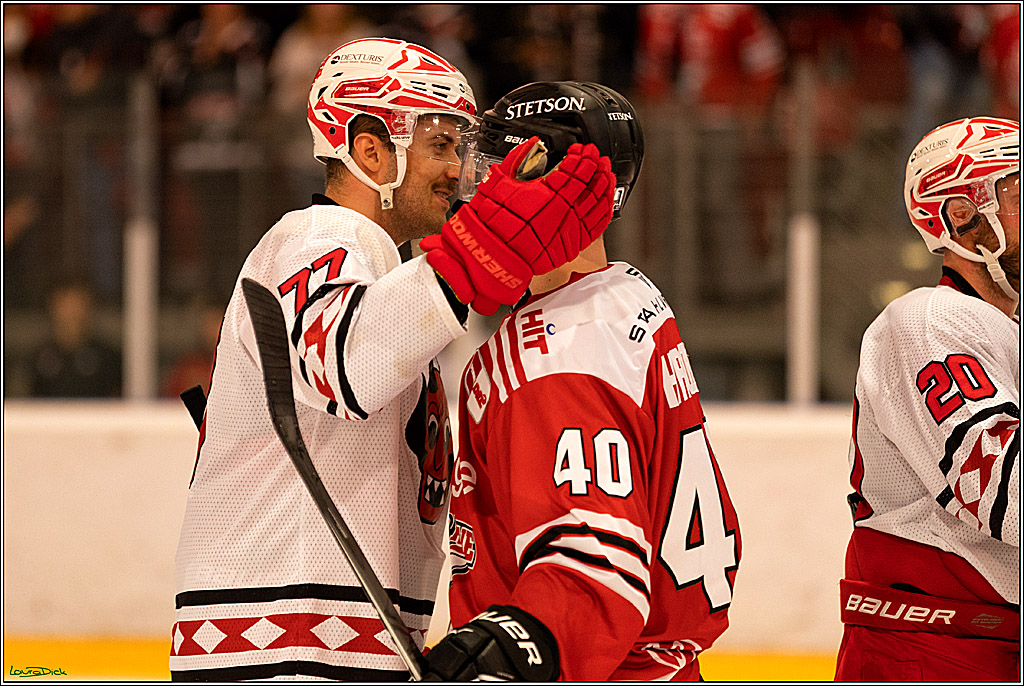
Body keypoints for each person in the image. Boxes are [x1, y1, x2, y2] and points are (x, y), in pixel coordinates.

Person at [170, 39, 615, 681]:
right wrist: (477, 251)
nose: (457, 169)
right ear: (371, 149)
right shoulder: (318, 237)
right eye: (440, 145)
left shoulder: (385, 269)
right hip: (285, 649)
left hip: (333, 641)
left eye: (460, 148)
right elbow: (345, 364)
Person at [419, 82, 742, 681]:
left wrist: (514, 650)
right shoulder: (625, 297)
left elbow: (594, 562)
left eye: (499, 167)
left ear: (553, 180)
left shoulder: (558, 352)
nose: (478, 188)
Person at [835, 117, 1019, 681]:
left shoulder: (999, 328)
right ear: (960, 216)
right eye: (1018, 195)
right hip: (931, 652)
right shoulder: (930, 323)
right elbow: (1003, 492)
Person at [30, 279, 122, 398]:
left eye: (79, 302)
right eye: (66, 303)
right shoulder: (39, 358)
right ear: (53, 306)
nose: (73, 311)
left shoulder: (108, 358)